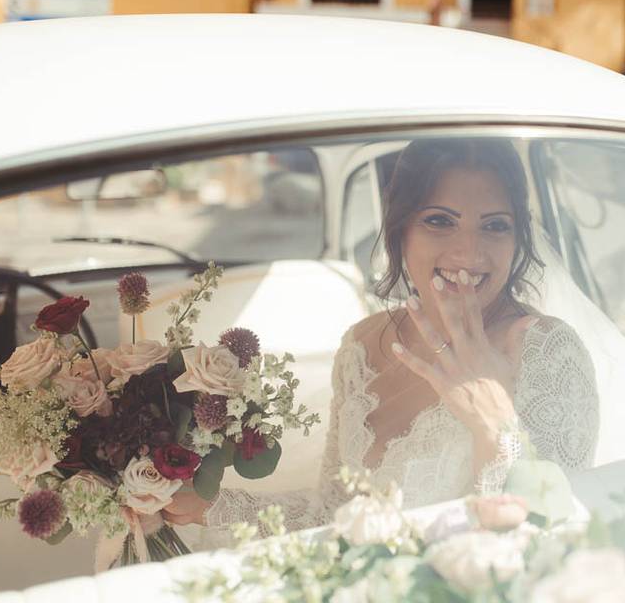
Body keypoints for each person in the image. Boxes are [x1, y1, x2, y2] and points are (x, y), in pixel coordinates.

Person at [163, 138, 599, 533]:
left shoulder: (547, 352)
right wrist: (211, 505)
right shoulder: (360, 346)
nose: (469, 251)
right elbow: (333, 515)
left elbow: (555, 533)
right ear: (400, 229)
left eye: (495, 225)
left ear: (517, 236)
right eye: (440, 221)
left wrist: (494, 423)